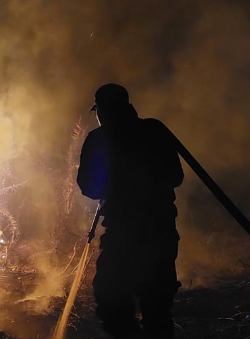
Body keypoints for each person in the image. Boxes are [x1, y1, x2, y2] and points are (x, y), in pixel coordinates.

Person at [77, 83, 184, 339]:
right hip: (160, 232)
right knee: (157, 309)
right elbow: (176, 176)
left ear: (102, 111)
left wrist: (114, 182)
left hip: (123, 236)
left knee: (112, 303)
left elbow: (88, 187)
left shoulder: (99, 140)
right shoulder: (154, 131)